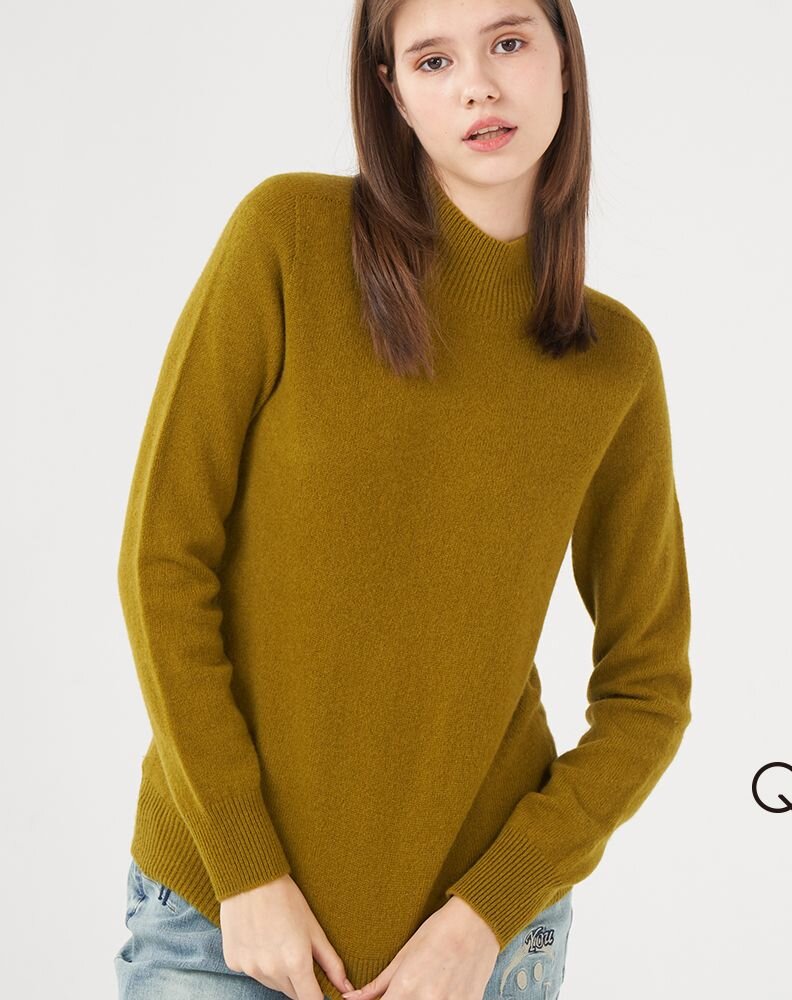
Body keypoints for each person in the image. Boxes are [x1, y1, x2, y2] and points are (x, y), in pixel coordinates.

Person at [112, 0, 693, 998]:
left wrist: (488, 912)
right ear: (392, 92)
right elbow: (162, 560)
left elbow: (648, 691)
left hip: (477, 955)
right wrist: (244, 866)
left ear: (563, 58)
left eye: (508, 41)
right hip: (222, 923)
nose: (477, 86)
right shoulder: (287, 239)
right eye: (432, 60)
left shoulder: (613, 365)